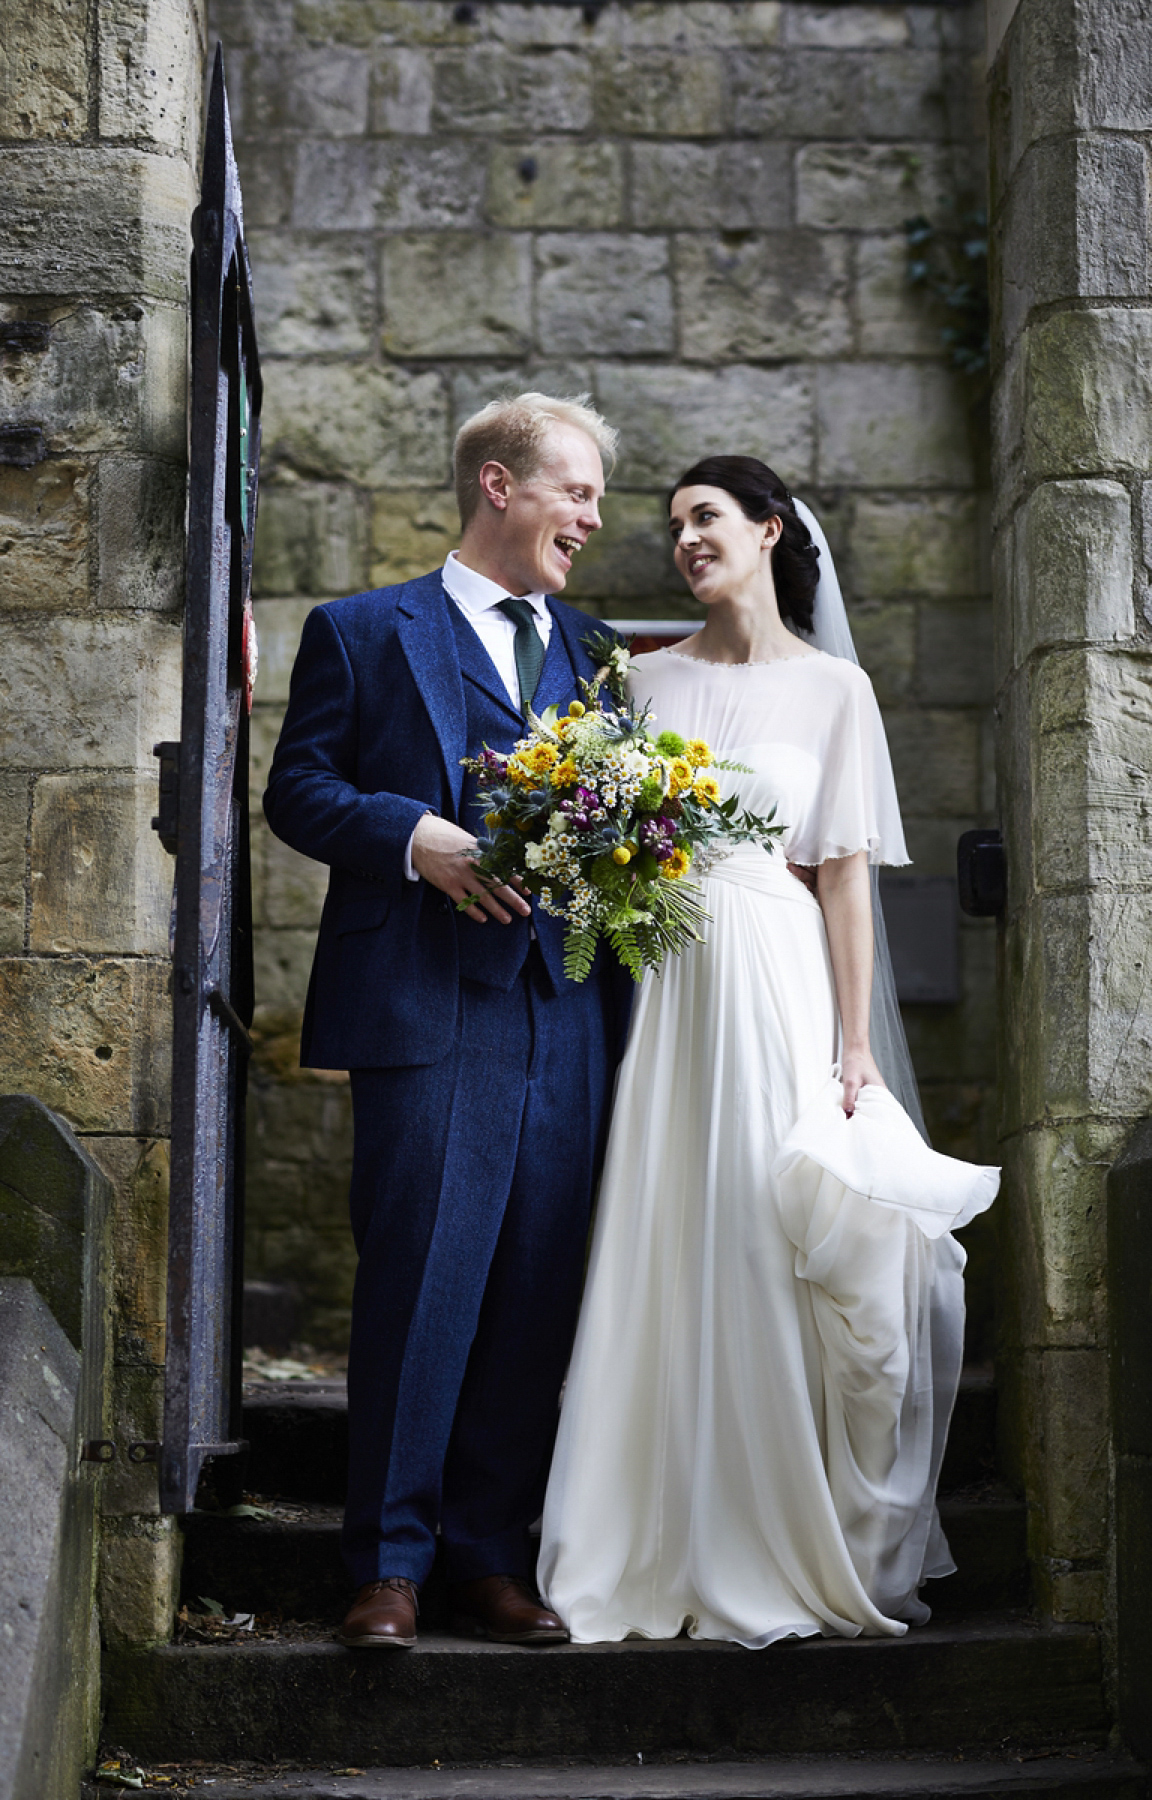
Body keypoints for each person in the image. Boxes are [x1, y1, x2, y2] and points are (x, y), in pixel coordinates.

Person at [537, 456, 999, 1648]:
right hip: (670, 991)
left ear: (768, 531)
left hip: (781, 977)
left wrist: (855, 1044)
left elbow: (844, 880)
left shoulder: (837, 691)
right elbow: (598, 854)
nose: (685, 538)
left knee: (767, 1221)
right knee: (670, 1223)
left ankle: (781, 1520)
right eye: (674, 524)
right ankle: (658, 1524)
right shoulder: (638, 684)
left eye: (707, 518)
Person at [263, 393, 632, 1650]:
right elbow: (298, 791)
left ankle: (487, 1555)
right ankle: (389, 1567)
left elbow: (626, 824)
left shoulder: (598, 653)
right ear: (497, 485)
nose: (590, 516)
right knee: (422, 1283)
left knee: (537, 1285)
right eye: (574, 491)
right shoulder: (365, 632)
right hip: (422, 1006)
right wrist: (412, 836)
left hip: (565, 1010)